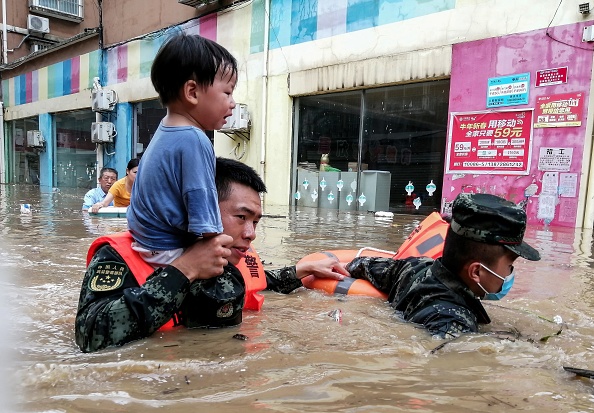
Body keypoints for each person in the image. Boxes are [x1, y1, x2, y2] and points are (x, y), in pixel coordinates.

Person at [75, 157, 348, 353]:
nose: (251, 233)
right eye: (241, 217)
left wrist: (302, 270)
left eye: (256, 221)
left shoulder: (231, 254)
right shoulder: (121, 256)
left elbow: (260, 281)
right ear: (199, 208)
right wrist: (184, 270)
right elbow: (90, 335)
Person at [346, 193, 541, 339]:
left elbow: (361, 264)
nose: (510, 274)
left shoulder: (414, 267)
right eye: (509, 266)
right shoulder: (453, 322)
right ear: (476, 272)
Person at [126, 33, 238, 268]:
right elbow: (204, 215)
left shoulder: (165, 130)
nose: (233, 102)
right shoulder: (194, 139)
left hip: (146, 243)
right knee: (231, 273)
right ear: (192, 92)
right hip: (169, 251)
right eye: (227, 92)